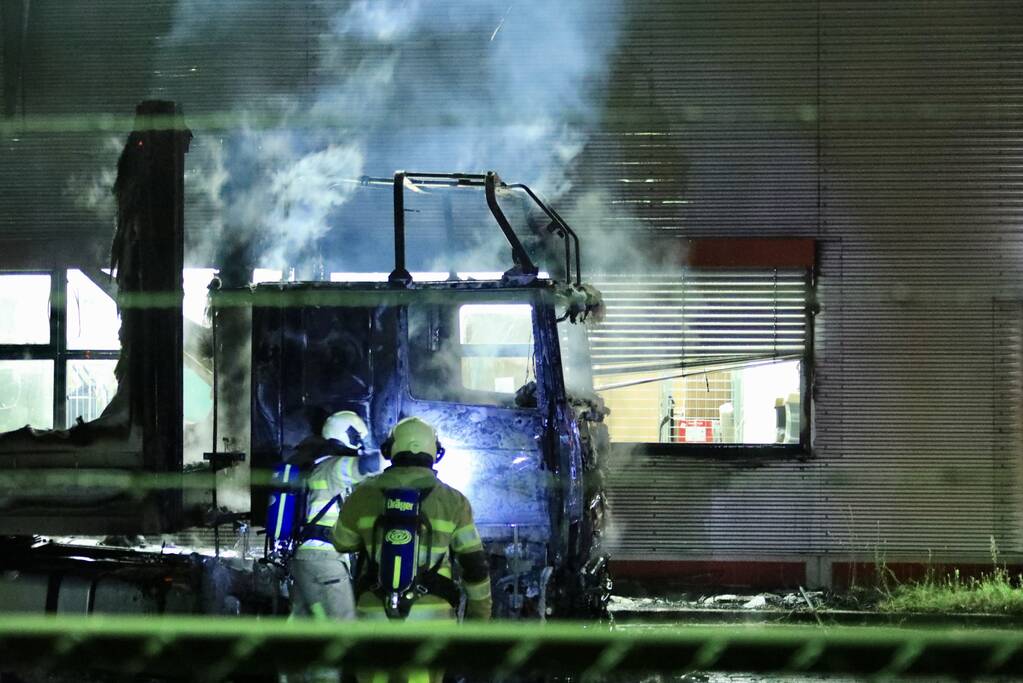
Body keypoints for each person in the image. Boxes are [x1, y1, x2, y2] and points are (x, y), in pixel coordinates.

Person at [333, 417, 492, 682]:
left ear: (390, 450)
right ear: (435, 452)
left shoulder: (363, 494)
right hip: (433, 624)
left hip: (373, 620)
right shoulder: (454, 501)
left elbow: (342, 543)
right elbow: (475, 566)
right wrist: (478, 619)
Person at [289, 410, 380, 621]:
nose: (360, 445)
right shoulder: (334, 467)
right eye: (358, 438)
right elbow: (366, 466)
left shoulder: (317, 464)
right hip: (324, 563)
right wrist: (400, 455)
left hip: (306, 559)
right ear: (348, 435)